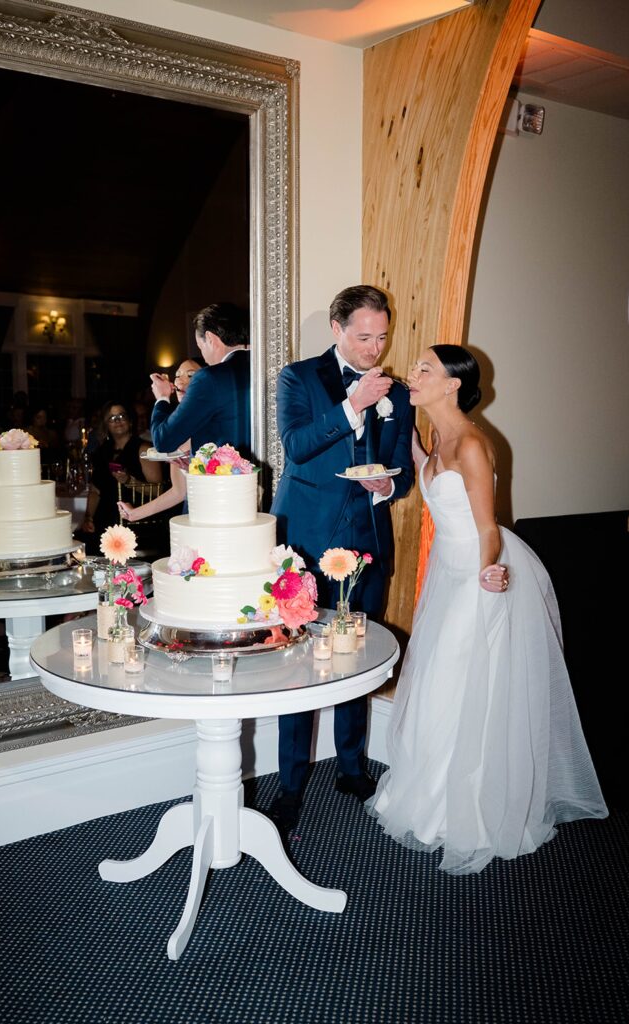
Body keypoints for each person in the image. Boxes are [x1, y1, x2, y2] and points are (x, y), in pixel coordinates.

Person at [367, 345, 607, 873]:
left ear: (453, 384)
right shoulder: (436, 439)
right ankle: (431, 793)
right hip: (448, 573)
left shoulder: (472, 444)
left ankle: (468, 810)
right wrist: (393, 417)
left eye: (426, 369)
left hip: (481, 573)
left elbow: (486, 526)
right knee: (437, 683)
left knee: (462, 683)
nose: (416, 373)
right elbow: (417, 464)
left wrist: (488, 572)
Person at [270, 285, 414, 832]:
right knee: (297, 664)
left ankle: (353, 766)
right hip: (305, 543)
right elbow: (297, 445)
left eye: (381, 337)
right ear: (337, 329)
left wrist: (385, 488)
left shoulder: (396, 393)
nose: (374, 349)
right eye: (363, 337)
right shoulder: (298, 378)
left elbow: (400, 464)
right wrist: (352, 403)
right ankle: (288, 782)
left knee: (357, 657)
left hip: (368, 540)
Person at [150, 303, 250, 457]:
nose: (203, 356)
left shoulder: (209, 378)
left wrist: (162, 398)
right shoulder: (263, 368)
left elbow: (163, 440)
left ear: (210, 338)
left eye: (200, 347)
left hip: (225, 478)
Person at [118, 359, 201, 525]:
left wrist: (162, 398)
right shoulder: (175, 429)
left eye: (190, 375)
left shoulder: (214, 420)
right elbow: (179, 491)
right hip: (191, 514)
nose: (180, 380)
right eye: (177, 376)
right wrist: (135, 514)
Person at [79, 402, 162, 552]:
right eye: (112, 418)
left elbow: (159, 491)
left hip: (137, 521)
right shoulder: (102, 452)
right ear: (106, 425)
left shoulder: (144, 449)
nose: (117, 421)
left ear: (130, 421)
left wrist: (130, 481)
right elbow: (95, 491)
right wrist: (88, 517)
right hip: (105, 520)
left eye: (121, 416)